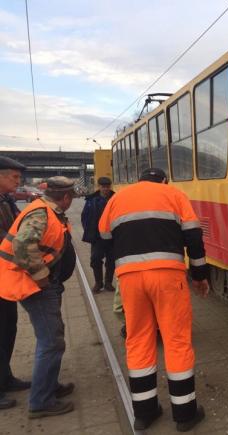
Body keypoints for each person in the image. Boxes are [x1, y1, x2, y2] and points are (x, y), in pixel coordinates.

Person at [99, 168, 209, 432]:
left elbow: (103, 235)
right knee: (176, 340)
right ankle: (184, 414)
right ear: (164, 181)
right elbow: (194, 237)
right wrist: (199, 275)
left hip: (130, 279)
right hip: (168, 278)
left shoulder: (118, 199)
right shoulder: (174, 195)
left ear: (139, 181)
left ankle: (144, 412)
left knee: (138, 339)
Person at [0, 176, 77, 418]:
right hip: (34, 285)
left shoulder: (46, 210)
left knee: (53, 336)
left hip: (41, 284)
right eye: (71, 197)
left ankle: (49, 385)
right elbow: (23, 244)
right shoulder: (42, 213)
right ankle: (41, 401)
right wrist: (41, 276)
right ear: (65, 197)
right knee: (51, 341)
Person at [0, 156, 31, 410]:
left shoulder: (7, 200)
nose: (17, 181)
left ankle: (5, 377)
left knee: (7, 327)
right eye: (14, 177)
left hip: (5, 275)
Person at [81, 176, 115, 293]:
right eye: (103, 187)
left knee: (111, 260)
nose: (105, 189)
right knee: (95, 260)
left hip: (112, 237)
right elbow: (84, 217)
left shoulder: (115, 199)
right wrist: (89, 230)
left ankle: (108, 283)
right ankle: (98, 283)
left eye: (107, 187)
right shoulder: (91, 200)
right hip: (97, 237)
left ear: (110, 187)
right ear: (99, 187)